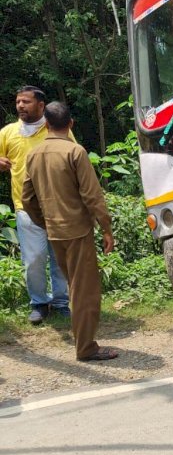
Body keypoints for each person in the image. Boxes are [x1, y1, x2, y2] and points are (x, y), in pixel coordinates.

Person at [21, 102, 118, 362]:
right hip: (77, 232)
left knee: (75, 287)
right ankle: (86, 348)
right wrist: (106, 228)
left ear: (46, 125)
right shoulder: (75, 152)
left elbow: (27, 198)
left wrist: (44, 222)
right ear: (71, 124)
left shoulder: (34, 154)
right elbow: (92, 196)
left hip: (55, 232)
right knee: (84, 291)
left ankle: (83, 341)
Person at [0, 86, 69, 324]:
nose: (20, 106)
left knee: (61, 257)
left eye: (26, 102)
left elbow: (74, 154)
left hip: (59, 204)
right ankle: (39, 303)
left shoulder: (56, 128)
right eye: (18, 101)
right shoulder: (8, 132)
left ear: (41, 105)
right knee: (34, 259)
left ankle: (61, 302)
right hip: (26, 206)